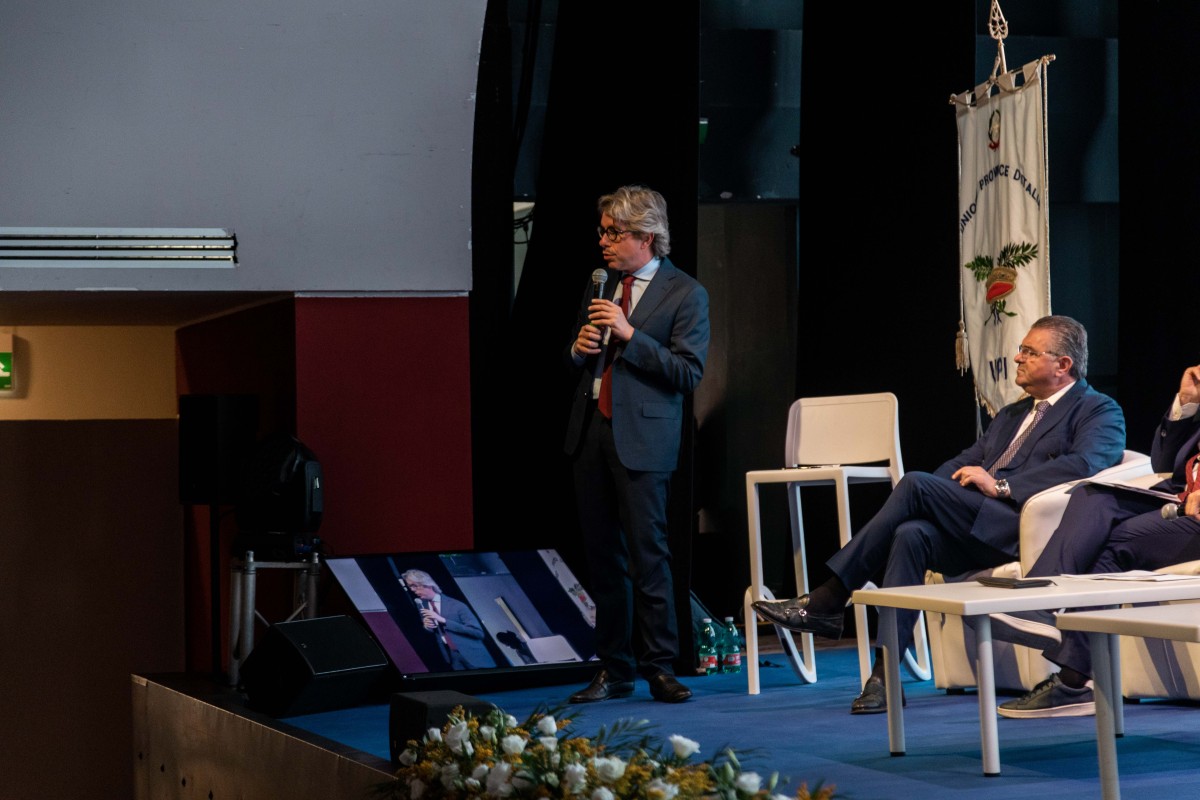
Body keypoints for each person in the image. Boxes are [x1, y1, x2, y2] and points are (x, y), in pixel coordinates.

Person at [752, 315, 1126, 714]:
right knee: (911, 533)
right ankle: (884, 677)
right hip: (975, 523)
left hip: (1022, 526)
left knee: (914, 485)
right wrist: (937, 496)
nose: (1017, 358)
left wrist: (1001, 486)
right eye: (1021, 350)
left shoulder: (1097, 409)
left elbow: (1085, 464)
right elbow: (962, 462)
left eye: (1029, 352)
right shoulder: (1011, 415)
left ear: (1063, 364)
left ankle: (829, 598)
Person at [978, 364, 1200, 718]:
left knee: (1114, 545)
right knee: (1092, 496)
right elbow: (1163, 463)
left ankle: (1072, 678)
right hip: (1178, 499)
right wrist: (1186, 403)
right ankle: (1040, 606)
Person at [563, 185, 710, 704]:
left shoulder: (685, 293)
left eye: (614, 233)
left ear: (646, 236)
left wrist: (631, 335)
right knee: (603, 557)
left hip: (645, 438)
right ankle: (614, 668)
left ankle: (660, 667)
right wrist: (578, 350)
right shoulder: (600, 283)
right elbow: (580, 357)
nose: (603, 241)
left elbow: (687, 372)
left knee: (649, 556)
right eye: (603, 231)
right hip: (591, 431)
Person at [401, 569, 495, 670]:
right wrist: (427, 626)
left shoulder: (457, 605)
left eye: (414, 586)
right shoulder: (422, 605)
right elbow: (433, 630)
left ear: (427, 584)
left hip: (474, 656)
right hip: (451, 657)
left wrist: (443, 620)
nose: (412, 590)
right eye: (410, 587)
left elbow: (478, 633)